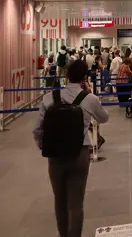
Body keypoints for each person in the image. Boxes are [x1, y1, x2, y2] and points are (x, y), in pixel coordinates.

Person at [33, 60, 109, 237]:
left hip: (56, 156)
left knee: (59, 201)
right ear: (84, 77)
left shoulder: (50, 98)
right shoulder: (89, 98)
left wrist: (45, 147)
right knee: (76, 204)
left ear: (66, 75)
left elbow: (37, 129)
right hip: (80, 153)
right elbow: (104, 118)